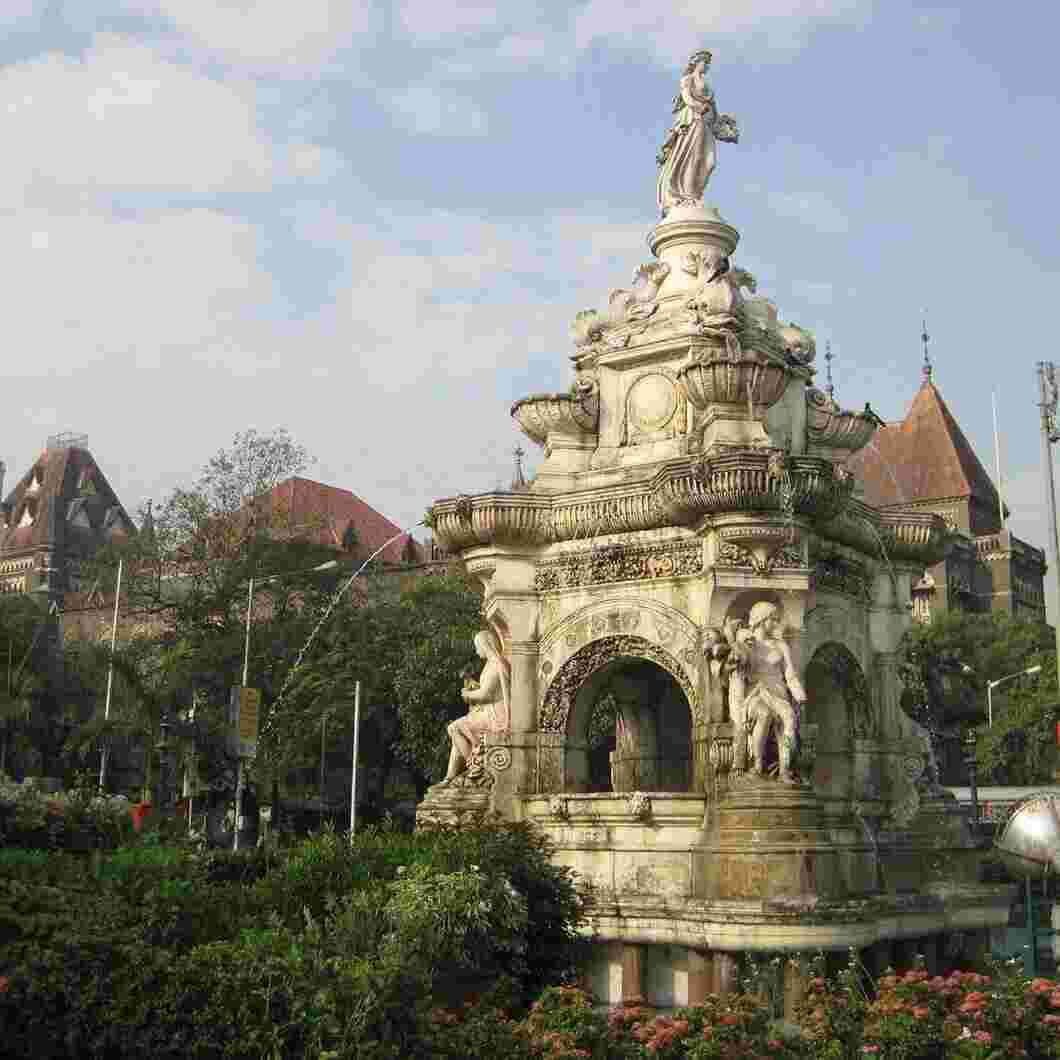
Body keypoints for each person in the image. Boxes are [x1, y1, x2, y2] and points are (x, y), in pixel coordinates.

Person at [732, 601, 806, 782]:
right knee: (763, 714)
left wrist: (799, 696)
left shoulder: (781, 646)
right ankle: (756, 765)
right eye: (773, 619)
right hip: (756, 692)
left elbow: (790, 675)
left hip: (778, 692)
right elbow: (738, 668)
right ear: (762, 620)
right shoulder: (747, 643)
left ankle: (785, 769)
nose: (776, 623)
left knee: (789, 719)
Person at [656, 50, 737, 215]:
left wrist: (725, 122)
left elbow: (714, 114)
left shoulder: (706, 85)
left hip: (705, 124)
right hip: (694, 120)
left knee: (709, 162)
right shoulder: (688, 79)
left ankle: (694, 194)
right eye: (704, 62)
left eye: (708, 63)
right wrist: (700, 108)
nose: (706, 66)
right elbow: (687, 98)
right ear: (696, 62)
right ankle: (688, 196)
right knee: (693, 157)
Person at [442, 629, 511, 784]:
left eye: (477, 646)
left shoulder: (497, 664)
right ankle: (449, 777)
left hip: (496, 716)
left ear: (485, 645)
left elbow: (486, 694)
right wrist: (474, 690)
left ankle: (475, 768)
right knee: (456, 733)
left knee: (454, 728)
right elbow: (488, 691)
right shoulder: (491, 664)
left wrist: (467, 695)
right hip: (488, 712)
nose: (476, 650)